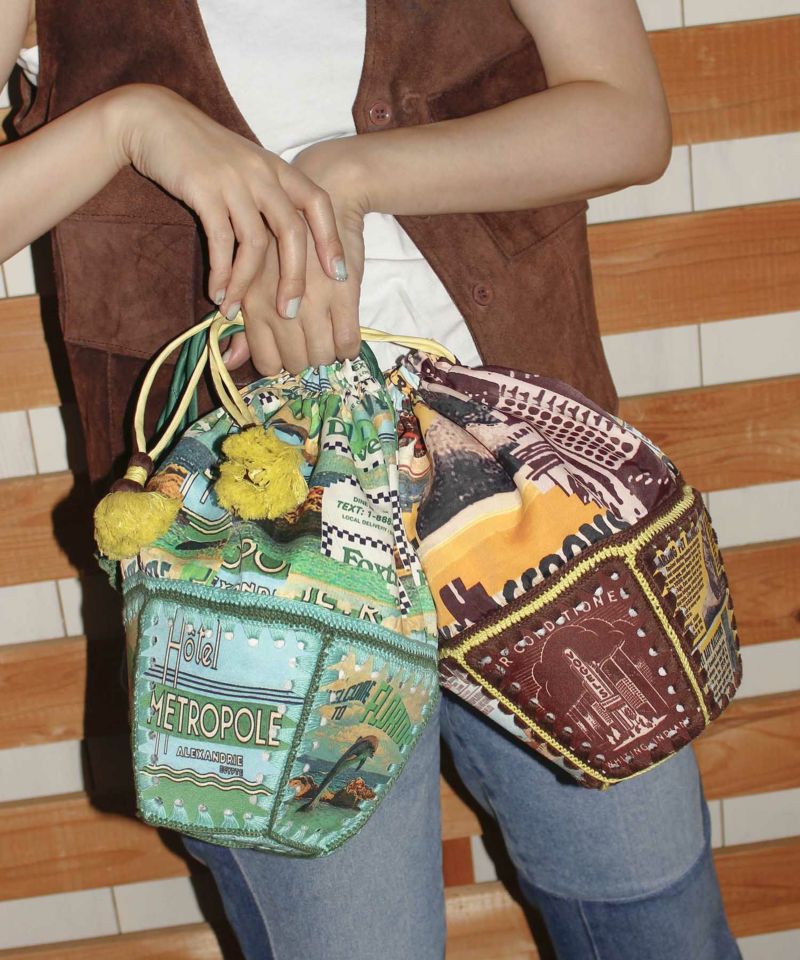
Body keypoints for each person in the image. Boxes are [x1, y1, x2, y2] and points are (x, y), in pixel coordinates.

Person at [0, 1, 742, 957]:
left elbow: (628, 118)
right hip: (241, 554)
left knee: (655, 912)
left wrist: (344, 178)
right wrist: (128, 124)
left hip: (529, 499)